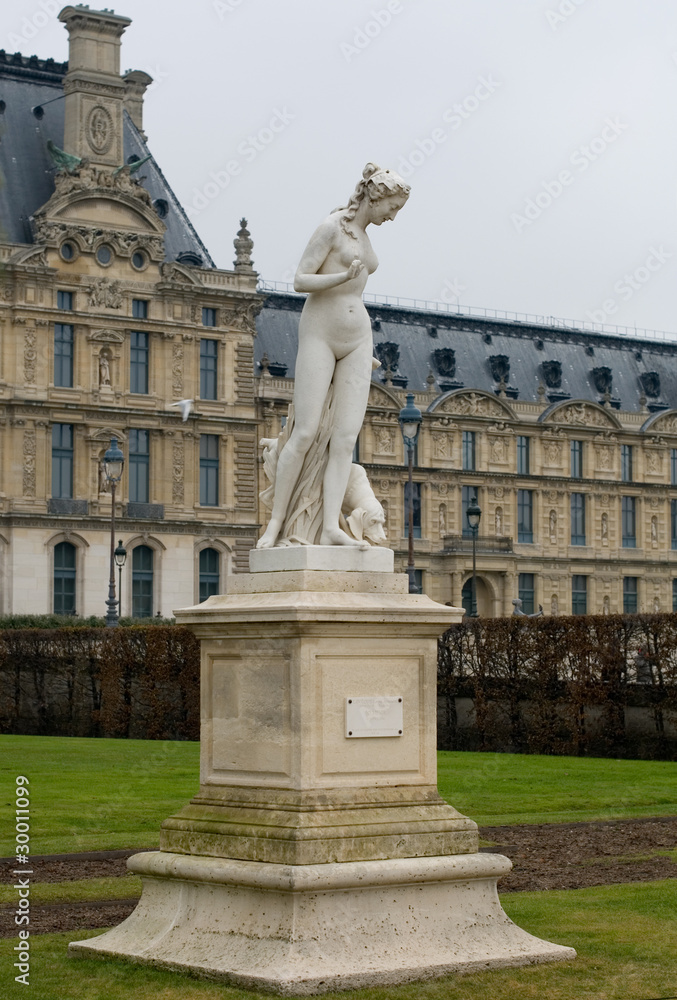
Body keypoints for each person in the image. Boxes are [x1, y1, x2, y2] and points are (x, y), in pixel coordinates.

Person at [257, 163, 410, 549]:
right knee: (305, 431)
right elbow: (300, 280)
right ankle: (275, 525)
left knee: (344, 440)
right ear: (375, 197)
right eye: (391, 207)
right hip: (320, 333)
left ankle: (329, 528)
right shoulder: (331, 227)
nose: (392, 217)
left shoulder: (363, 235)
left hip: (359, 338)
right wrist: (340, 278)